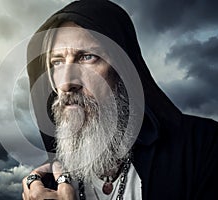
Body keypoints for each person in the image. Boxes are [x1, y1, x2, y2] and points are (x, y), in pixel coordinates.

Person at [22, 0, 218, 199]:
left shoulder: (201, 148)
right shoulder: (48, 187)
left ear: (124, 68)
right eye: (57, 62)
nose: (65, 83)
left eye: (87, 57)